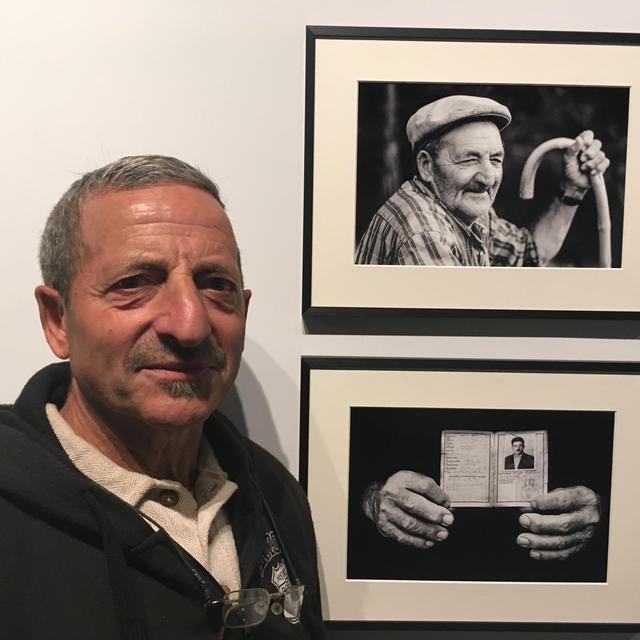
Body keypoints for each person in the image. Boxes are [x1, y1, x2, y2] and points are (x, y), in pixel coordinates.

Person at [0, 156, 326, 639]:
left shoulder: (274, 493)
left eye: (217, 286)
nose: (190, 324)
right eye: (134, 284)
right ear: (57, 320)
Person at [355, 94, 610, 266]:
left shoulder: (461, 207)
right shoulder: (426, 234)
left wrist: (573, 190)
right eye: (469, 159)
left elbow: (528, 253)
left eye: (496, 159)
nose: (488, 177)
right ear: (426, 166)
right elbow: (452, 337)